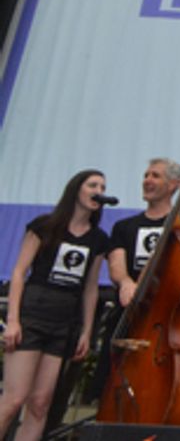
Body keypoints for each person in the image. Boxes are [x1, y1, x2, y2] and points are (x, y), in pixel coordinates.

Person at [0, 170, 110, 441]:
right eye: (93, 185)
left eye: (103, 186)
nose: (99, 190)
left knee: (40, 405)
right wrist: (13, 320)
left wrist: (86, 332)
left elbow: (91, 288)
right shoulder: (45, 226)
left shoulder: (98, 239)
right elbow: (19, 272)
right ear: (77, 190)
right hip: (34, 313)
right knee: (14, 399)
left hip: (65, 322)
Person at [109, 157, 180, 306]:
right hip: (131, 304)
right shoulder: (124, 226)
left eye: (155, 176)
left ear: (172, 185)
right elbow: (116, 265)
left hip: (169, 305)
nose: (147, 180)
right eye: (146, 175)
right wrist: (126, 283)